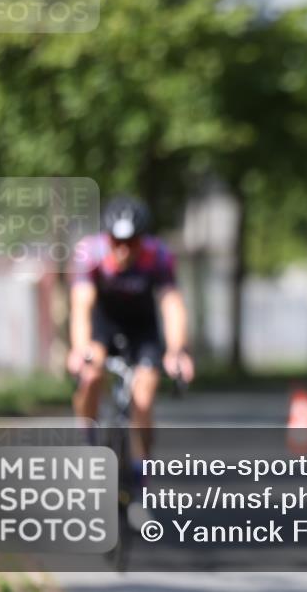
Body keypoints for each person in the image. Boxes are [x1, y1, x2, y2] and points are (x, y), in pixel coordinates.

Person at [67, 195, 195, 463]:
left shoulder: (157, 255)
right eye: (117, 242)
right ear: (107, 237)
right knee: (90, 375)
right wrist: (79, 349)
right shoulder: (91, 253)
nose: (123, 250)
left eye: (131, 242)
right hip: (103, 326)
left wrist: (177, 351)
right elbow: (81, 304)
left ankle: (141, 466)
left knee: (144, 397)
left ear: (142, 239)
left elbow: (171, 304)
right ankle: (87, 440)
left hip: (142, 329)